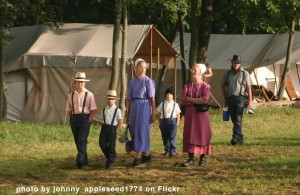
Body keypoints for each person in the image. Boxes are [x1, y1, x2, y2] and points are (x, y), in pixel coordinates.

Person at [126, 58, 156, 166]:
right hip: (134, 106)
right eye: (140, 67)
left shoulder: (148, 81)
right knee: (134, 130)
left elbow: (152, 99)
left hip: (144, 106)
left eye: (144, 67)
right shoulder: (132, 82)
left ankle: (137, 156)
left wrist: (153, 113)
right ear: (136, 68)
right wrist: (127, 113)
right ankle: (146, 155)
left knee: (142, 130)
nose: (143, 69)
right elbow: (129, 99)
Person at [181, 63, 212, 167]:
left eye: (194, 70)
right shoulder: (187, 86)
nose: (192, 71)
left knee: (202, 134)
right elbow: (184, 100)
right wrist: (196, 100)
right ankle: (190, 158)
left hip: (202, 116)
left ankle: (202, 158)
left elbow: (204, 99)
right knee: (190, 134)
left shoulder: (205, 86)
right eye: (192, 69)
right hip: (190, 116)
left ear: (200, 73)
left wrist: (191, 99)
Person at [66, 72, 97, 169]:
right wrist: (71, 119)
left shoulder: (89, 94)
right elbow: (68, 109)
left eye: (82, 82)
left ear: (85, 83)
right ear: (75, 83)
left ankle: (80, 161)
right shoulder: (70, 95)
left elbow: (94, 109)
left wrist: (89, 119)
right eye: (79, 82)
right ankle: (84, 159)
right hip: (74, 118)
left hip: (85, 118)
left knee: (82, 139)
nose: (80, 84)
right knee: (77, 140)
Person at [221, 55, 253, 145]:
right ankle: (240, 138)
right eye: (235, 63)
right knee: (234, 119)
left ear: (240, 63)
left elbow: (248, 88)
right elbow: (222, 85)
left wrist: (250, 101)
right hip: (230, 99)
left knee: (238, 118)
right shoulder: (227, 73)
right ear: (232, 63)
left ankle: (235, 137)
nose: (236, 65)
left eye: (238, 63)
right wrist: (225, 98)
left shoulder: (244, 73)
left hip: (240, 98)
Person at [99, 90, 123, 169]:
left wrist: (116, 130)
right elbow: (102, 119)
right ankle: (110, 158)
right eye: (108, 98)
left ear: (115, 100)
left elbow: (120, 121)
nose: (110, 100)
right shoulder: (104, 109)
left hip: (113, 128)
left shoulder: (117, 110)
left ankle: (111, 161)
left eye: (112, 99)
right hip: (104, 128)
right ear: (106, 99)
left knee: (111, 146)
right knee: (102, 144)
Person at [157, 87, 181, 157]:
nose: (169, 95)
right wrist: (159, 123)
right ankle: (167, 150)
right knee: (165, 137)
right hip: (164, 122)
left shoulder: (175, 104)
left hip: (173, 122)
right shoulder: (162, 104)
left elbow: (178, 114)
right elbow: (158, 114)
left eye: (170, 94)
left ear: (173, 96)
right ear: (165, 95)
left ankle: (172, 151)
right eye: (167, 94)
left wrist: (177, 124)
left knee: (172, 136)